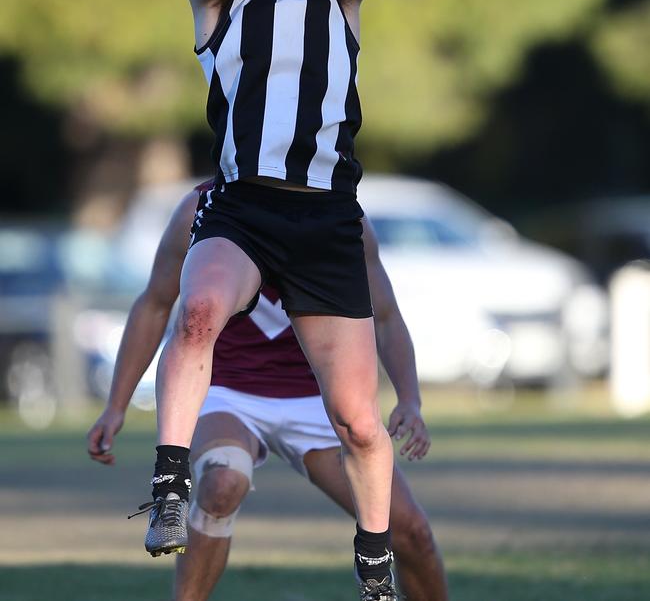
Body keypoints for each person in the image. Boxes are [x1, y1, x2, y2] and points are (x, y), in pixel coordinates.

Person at [147, 0, 409, 600]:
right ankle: (169, 487)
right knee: (197, 311)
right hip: (245, 207)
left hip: (328, 218)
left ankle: (373, 554)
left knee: (360, 423)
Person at [87, 185, 448, 601]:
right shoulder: (203, 211)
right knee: (223, 481)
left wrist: (410, 398)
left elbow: (384, 316)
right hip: (228, 392)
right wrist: (115, 406)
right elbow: (154, 304)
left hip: (319, 399)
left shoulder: (339, 216)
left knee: (411, 531)